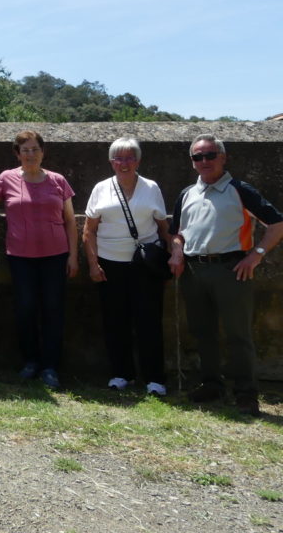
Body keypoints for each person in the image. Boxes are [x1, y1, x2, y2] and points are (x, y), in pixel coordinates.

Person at [168, 134, 283, 416]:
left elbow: (277, 224)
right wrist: (177, 251)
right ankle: (212, 385)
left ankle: (246, 393)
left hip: (231, 270)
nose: (204, 161)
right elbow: (177, 233)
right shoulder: (187, 194)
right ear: (192, 161)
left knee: (238, 335)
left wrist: (255, 255)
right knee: (202, 332)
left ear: (223, 157)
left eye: (209, 155)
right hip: (194, 271)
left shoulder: (239, 190)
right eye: (198, 157)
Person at [0, 130, 78, 389]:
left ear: (43, 152)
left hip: (55, 256)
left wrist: (73, 256)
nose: (30, 154)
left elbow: (70, 221)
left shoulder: (57, 180)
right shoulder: (6, 178)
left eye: (35, 149)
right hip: (21, 257)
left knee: (53, 312)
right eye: (25, 150)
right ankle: (31, 361)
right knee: (25, 310)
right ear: (17, 153)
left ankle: (50, 367)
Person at [82, 138, 171, 395]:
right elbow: (89, 230)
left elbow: (164, 228)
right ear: (111, 162)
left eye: (130, 157)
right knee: (115, 321)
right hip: (111, 264)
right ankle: (122, 373)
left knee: (149, 321)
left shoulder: (151, 188)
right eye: (118, 158)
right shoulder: (101, 188)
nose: (124, 163)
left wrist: (175, 251)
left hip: (144, 266)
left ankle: (154, 378)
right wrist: (93, 264)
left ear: (138, 161)